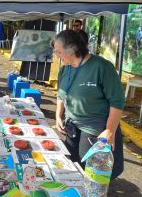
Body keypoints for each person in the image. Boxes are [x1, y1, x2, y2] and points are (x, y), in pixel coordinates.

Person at [52, 29, 125, 179]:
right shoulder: (65, 70)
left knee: (89, 169)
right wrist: (58, 116)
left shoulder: (102, 67)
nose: (57, 56)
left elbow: (117, 101)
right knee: (71, 163)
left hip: (94, 126)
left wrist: (110, 130)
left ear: (72, 49)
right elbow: (61, 94)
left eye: (59, 52)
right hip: (72, 124)